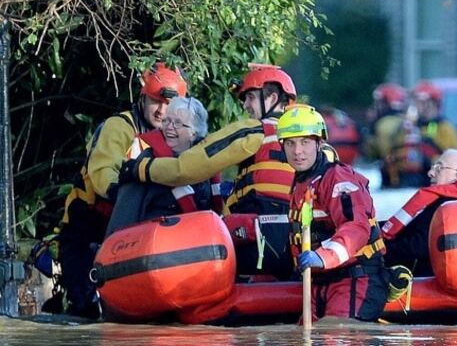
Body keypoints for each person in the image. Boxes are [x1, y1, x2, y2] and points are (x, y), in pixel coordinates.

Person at [120, 64, 299, 280]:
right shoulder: (312, 142)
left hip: (257, 243)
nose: (245, 106)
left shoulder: (255, 131)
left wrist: (140, 168)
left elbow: (184, 168)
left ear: (271, 98)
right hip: (296, 245)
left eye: (250, 98)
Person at [51, 61, 188, 318]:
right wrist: (123, 195)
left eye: (169, 105)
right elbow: (103, 172)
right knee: (84, 310)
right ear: (142, 99)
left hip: (135, 234)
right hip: (89, 228)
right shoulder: (120, 127)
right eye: (156, 102)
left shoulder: (179, 137)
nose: (162, 111)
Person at [277, 104, 389, 322]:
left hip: (354, 278)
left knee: (335, 340)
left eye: (305, 142)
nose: (297, 151)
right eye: (290, 143)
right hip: (319, 281)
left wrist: (322, 257)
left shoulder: (338, 179)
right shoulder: (301, 183)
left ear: (319, 143)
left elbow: (356, 227)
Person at [107, 96, 223, 235]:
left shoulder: (207, 163)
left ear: (194, 133)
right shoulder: (145, 161)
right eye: (167, 120)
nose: (169, 127)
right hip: (155, 243)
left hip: (199, 242)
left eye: (178, 123)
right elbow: (124, 214)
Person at [381, 149, 457, 276]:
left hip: (423, 281)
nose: (430, 173)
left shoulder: (446, 206)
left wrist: (374, 253)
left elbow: (416, 247)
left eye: (439, 167)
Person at [384, 81, 457, 187]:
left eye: (420, 102)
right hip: (405, 180)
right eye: (416, 101)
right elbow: (391, 150)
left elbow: (456, 159)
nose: (416, 105)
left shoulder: (444, 127)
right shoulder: (410, 126)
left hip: (432, 182)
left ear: (432, 103)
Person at [364, 83, 407, 187]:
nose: (376, 107)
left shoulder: (383, 125)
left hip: (395, 178)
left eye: (379, 103)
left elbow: (380, 154)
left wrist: (369, 132)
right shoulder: (406, 119)